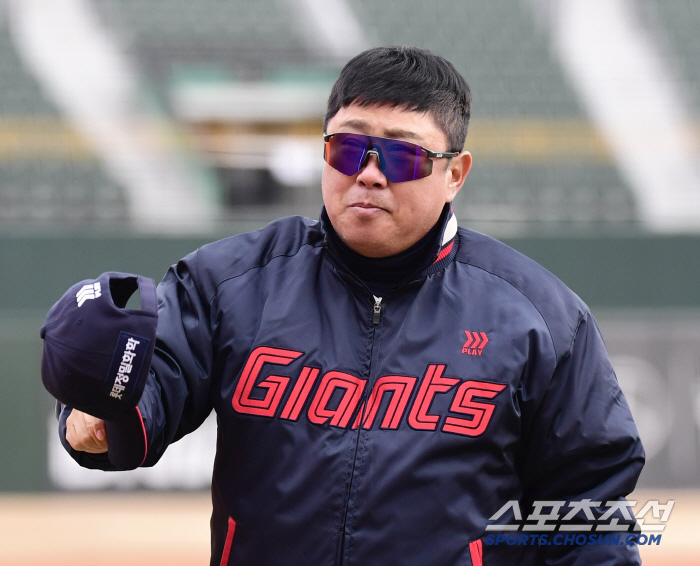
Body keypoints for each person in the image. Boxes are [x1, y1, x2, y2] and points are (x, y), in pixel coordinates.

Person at [59, 46, 644, 565]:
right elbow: (152, 378)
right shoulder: (231, 281)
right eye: (348, 148)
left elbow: (588, 509)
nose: (368, 174)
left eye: (402, 157)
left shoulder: (539, 317)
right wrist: (99, 412)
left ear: (455, 175)